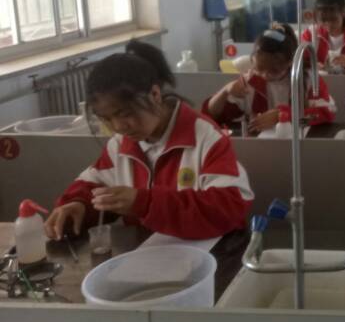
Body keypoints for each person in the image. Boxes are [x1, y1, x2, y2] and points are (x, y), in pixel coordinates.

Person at [44, 40, 254, 241]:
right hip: (147, 256)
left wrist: (145, 203)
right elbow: (93, 184)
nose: (119, 126)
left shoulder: (204, 137)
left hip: (209, 255)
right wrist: (79, 205)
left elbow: (231, 206)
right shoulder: (120, 145)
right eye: (106, 119)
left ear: (155, 94)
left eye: (125, 114)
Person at [203, 23, 336, 133]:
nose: (265, 75)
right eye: (259, 69)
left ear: (290, 62)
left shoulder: (307, 78)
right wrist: (225, 91)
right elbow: (211, 116)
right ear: (253, 60)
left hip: (301, 144)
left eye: (274, 70)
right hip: (264, 146)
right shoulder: (250, 82)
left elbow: (327, 112)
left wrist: (283, 116)